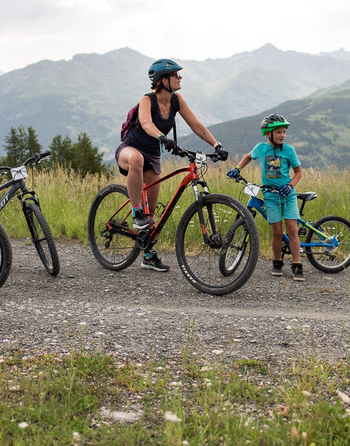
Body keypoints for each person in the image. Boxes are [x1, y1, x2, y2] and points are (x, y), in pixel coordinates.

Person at [115, 58, 228, 272]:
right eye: (176, 75)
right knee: (137, 161)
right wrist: (162, 137)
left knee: (153, 216)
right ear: (163, 80)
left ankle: (148, 254)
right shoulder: (147, 100)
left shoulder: (176, 100)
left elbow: (195, 124)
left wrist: (216, 143)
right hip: (129, 150)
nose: (180, 77)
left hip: (153, 155)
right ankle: (135, 211)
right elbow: (147, 123)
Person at [227, 113, 305, 281]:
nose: (282, 135)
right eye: (278, 132)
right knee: (277, 231)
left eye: (284, 132)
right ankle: (277, 262)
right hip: (270, 196)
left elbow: (299, 173)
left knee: (292, 229)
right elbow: (248, 157)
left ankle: (297, 264)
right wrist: (237, 168)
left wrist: (290, 185)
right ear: (268, 134)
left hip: (288, 195)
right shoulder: (261, 149)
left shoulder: (289, 150)